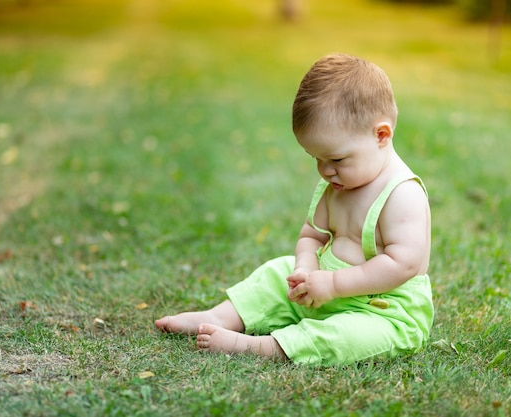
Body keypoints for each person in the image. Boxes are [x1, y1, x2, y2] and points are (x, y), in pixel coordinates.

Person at [155, 53, 434, 366]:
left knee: (343, 336)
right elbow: (311, 235)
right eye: (315, 158)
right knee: (277, 272)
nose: (326, 170)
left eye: (337, 159)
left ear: (381, 135)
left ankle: (263, 347)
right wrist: (305, 268)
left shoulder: (401, 194)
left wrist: (335, 285)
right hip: (324, 291)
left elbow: (402, 264)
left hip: (384, 310)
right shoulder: (336, 184)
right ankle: (218, 316)